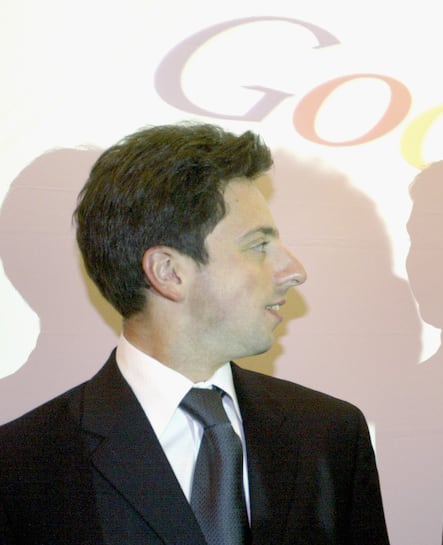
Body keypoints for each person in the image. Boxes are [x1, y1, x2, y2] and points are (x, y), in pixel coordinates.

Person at [0, 122, 390, 545]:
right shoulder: (23, 466)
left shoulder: (329, 437)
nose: (294, 271)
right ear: (168, 272)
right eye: (259, 246)